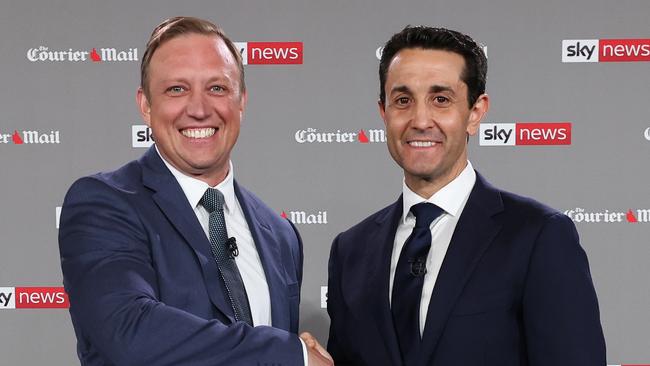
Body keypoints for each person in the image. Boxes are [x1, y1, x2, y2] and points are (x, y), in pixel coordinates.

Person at [325, 26, 606, 365]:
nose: (420, 120)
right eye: (403, 101)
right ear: (384, 113)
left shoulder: (539, 236)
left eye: (440, 100)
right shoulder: (350, 251)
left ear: (475, 112)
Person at [58, 16, 331, 366]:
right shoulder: (103, 204)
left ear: (241, 100)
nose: (199, 109)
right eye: (177, 89)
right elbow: (128, 331)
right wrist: (290, 353)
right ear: (145, 105)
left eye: (217, 88)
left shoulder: (281, 237)